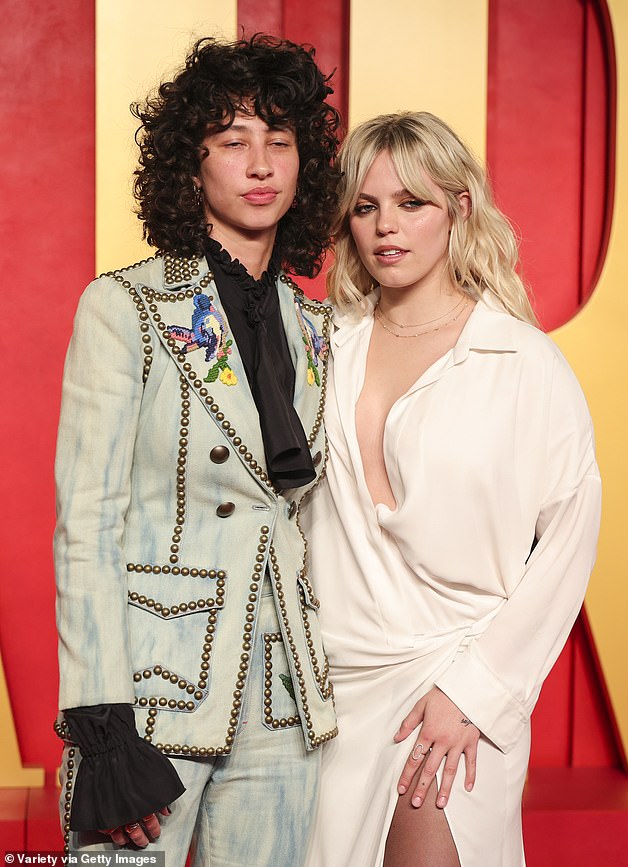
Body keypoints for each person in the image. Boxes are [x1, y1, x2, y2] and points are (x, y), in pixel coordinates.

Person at [54, 34, 340, 866]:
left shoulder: (316, 327)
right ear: (193, 164)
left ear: (304, 165)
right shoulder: (125, 307)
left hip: (283, 698)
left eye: (280, 142)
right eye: (233, 141)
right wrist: (101, 722)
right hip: (151, 692)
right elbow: (86, 523)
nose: (261, 164)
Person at [302, 111, 601, 867]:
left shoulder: (521, 361)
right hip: (329, 693)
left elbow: (569, 538)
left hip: (457, 683)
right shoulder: (322, 349)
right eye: (365, 207)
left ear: (459, 210)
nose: (385, 227)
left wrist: (478, 688)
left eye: (412, 203)